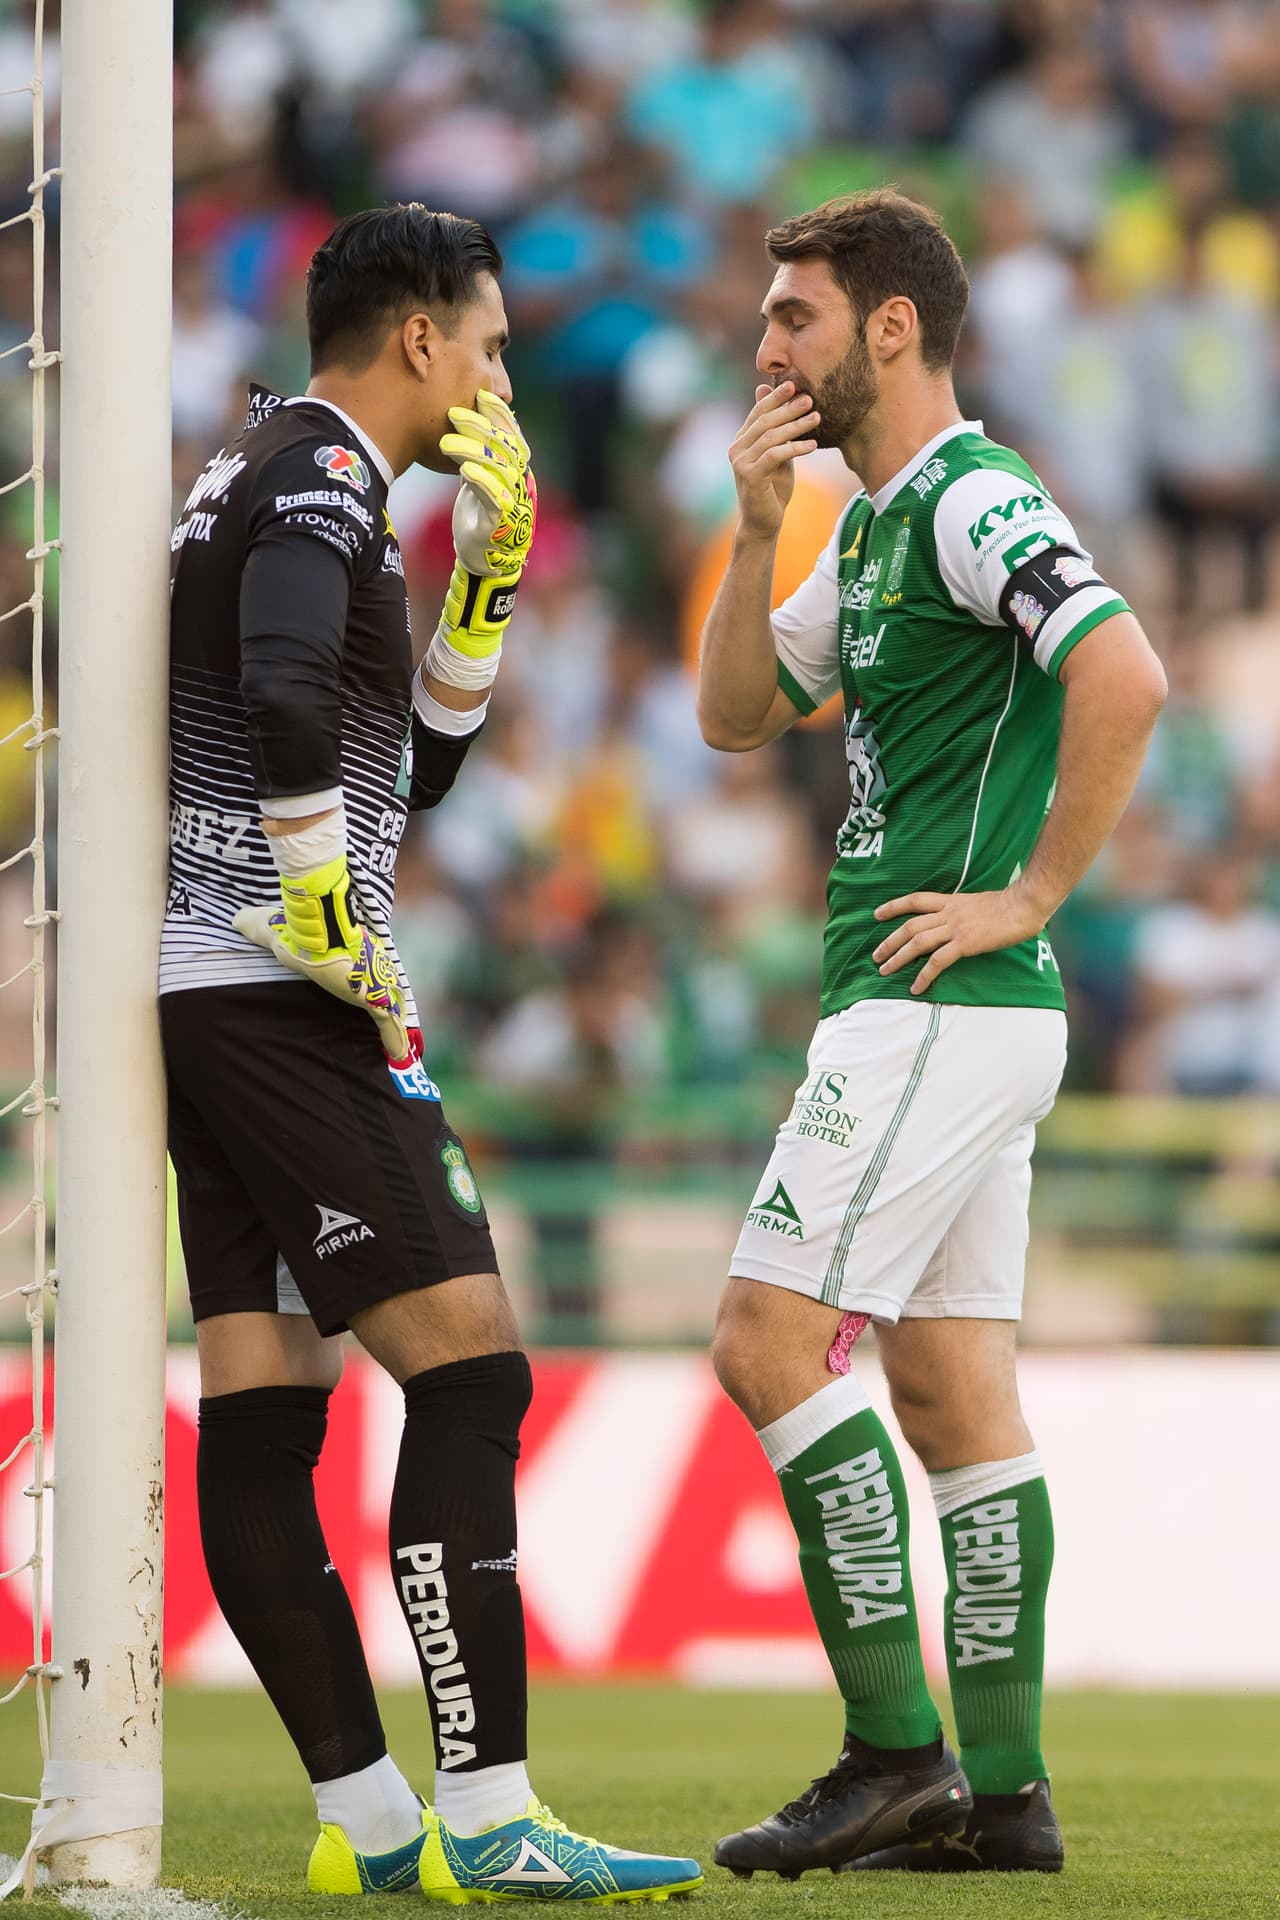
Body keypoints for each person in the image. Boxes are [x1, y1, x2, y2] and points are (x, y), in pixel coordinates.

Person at [161, 201, 701, 1904]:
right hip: (282, 987)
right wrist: (321, 889)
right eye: (488, 342)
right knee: (470, 1373)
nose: (497, 371)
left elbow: (416, 769)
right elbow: (287, 695)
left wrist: (475, 588)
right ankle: (490, 1816)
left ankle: (371, 1827)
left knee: (264, 1410)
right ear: (419, 342)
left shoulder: (282, 470)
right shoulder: (318, 476)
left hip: (200, 991)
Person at [697, 189, 1167, 1879]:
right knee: (953, 1393)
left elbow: (1125, 674)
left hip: (938, 997)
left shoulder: (973, 501)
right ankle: (1010, 1798)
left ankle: (895, 1754)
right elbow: (739, 716)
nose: (767, 347)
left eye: (796, 317)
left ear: (891, 327)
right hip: (945, 1013)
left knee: (764, 1338)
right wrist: (756, 532)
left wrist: (1034, 895)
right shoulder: (882, 523)